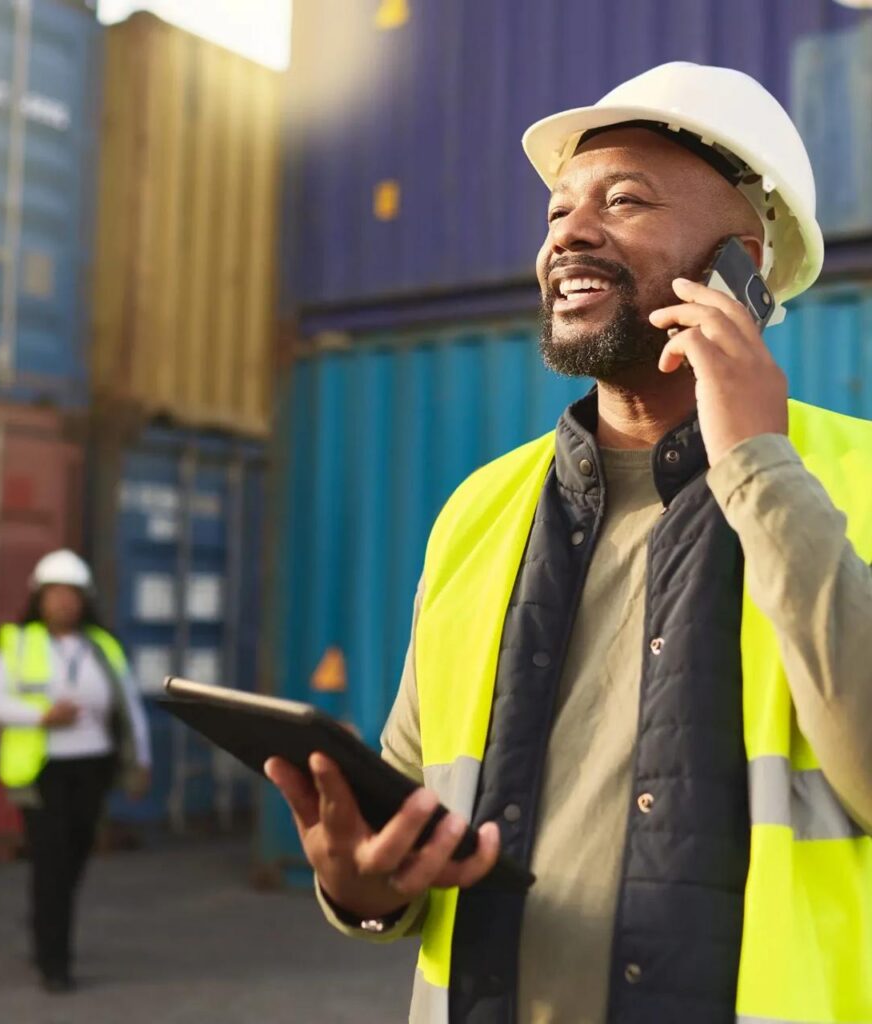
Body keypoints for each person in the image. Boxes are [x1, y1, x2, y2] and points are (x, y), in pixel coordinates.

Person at [265, 62, 872, 1024]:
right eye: (557, 212)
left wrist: (758, 462)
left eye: (623, 200)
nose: (570, 234)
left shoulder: (857, 479)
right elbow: (411, 821)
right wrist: (361, 888)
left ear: (741, 262)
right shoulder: (481, 510)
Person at [0, 548, 152, 994]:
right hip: (44, 771)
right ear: (39, 598)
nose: (63, 602)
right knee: (51, 861)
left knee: (74, 856)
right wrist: (42, 716)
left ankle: (45, 923)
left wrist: (142, 760)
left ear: (84, 600)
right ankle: (54, 962)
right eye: (54, 593)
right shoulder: (19, 643)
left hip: (93, 766)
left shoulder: (103, 645)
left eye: (71, 594)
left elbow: (129, 705)